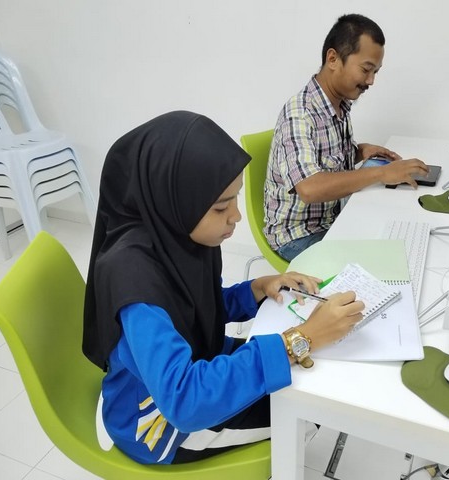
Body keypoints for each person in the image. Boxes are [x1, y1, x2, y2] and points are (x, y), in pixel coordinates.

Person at [82, 111, 364, 465]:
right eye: (220, 207)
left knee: (311, 378)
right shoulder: (134, 284)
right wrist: (299, 339)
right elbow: (184, 402)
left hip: (196, 366)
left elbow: (195, 308)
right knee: (313, 406)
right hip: (160, 423)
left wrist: (257, 288)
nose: (236, 216)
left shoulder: (176, 237)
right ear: (175, 201)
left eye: (235, 198)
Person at [264, 14, 429, 261]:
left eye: (375, 72)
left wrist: (360, 151)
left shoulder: (339, 105)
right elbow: (309, 187)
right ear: (333, 59)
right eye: (366, 69)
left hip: (332, 220)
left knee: (397, 234)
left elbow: (326, 158)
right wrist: (382, 173)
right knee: (379, 263)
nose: (371, 81)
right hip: (298, 235)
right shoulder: (299, 114)